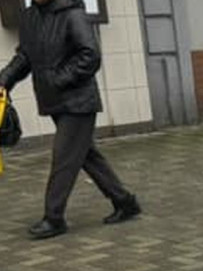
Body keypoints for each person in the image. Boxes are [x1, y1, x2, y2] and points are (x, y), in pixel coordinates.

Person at [0, 0, 141, 240]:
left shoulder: (72, 13)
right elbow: (25, 56)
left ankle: (54, 218)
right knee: (86, 155)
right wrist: (4, 80)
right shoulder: (30, 16)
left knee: (64, 157)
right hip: (55, 102)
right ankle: (125, 202)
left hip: (79, 101)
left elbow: (90, 55)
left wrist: (58, 80)